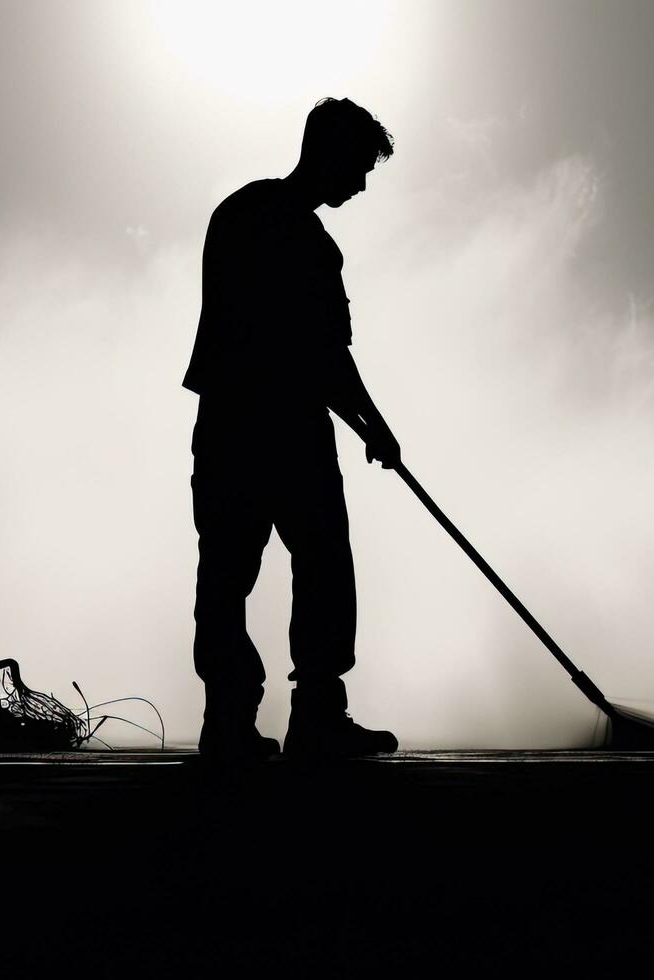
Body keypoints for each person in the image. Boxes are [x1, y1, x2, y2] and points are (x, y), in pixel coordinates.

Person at [183, 97, 400, 760]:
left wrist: (366, 421)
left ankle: (228, 720)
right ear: (330, 154)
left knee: (225, 573)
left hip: (225, 420)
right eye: (359, 167)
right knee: (323, 562)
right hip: (284, 429)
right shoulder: (306, 242)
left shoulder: (239, 212)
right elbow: (325, 353)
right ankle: (316, 717)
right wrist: (376, 425)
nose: (362, 184)